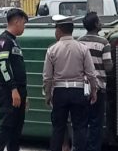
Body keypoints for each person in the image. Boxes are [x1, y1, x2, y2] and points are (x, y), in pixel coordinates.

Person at [43, 15, 98, 151]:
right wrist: (94, 91)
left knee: (58, 128)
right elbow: (91, 73)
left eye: (56, 29)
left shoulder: (52, 50)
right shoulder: (82, 48)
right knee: (80, 127)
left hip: (60, 92)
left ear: (60, 30)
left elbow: (47, 77)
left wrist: (48, 94)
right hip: (78, 91)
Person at [0, 8, 29, 151]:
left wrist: (24, 93)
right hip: (7, 91)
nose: (24, 27)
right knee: (6, 127)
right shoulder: (3, 41)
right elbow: (3, 66)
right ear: (16, 21)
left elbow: (19, 69)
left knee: (16, 130)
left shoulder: (14, 42)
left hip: (19, 91)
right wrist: (13, 89)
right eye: (23, 24)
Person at [78, 12, 113, 151]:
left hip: (81, 88)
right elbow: (108, 66)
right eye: (99, 21)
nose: (101, 23)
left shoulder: (79, 41)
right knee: (96, 122)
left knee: (82, 121)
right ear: (96, 24)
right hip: (98, 88)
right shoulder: (104, 43)